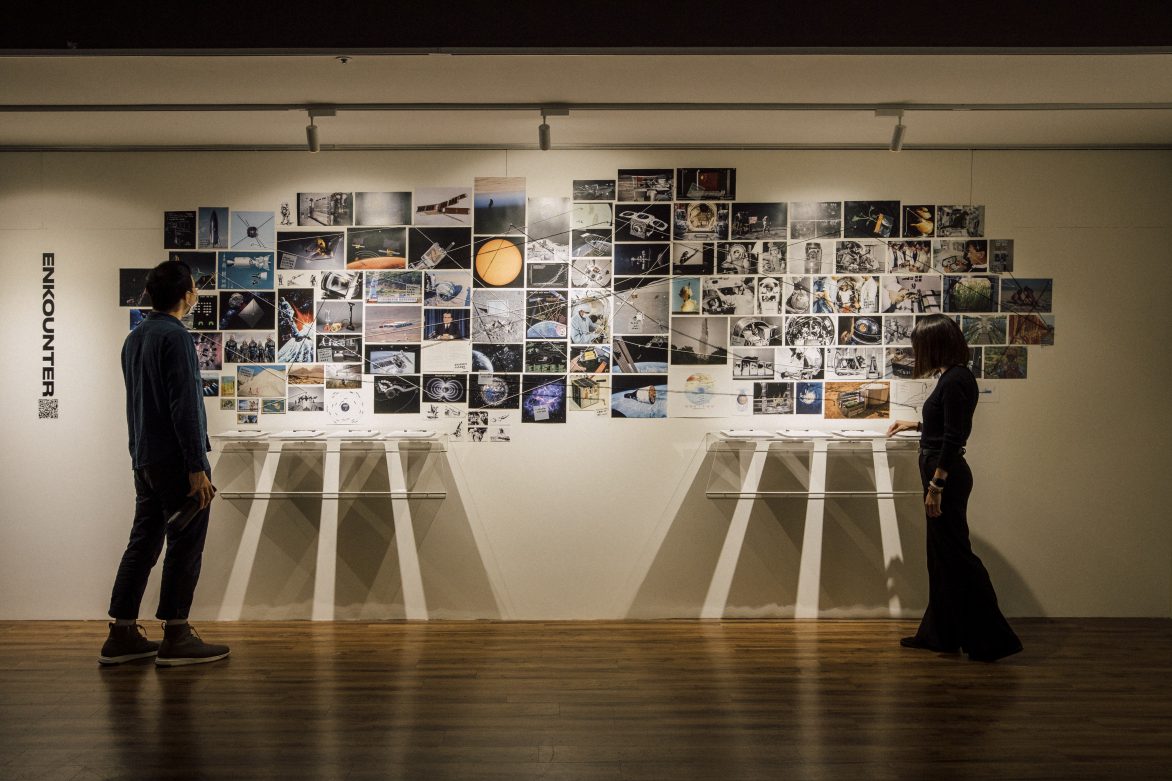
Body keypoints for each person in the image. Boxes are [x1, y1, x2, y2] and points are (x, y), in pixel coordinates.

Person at [101, 260, 229, 667]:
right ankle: (176, 633)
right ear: (186, 294)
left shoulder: (134, 339)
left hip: (144, 458)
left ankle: (122, 633)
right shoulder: (175, 336)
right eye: (193, 288)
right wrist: (196, 465)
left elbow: (141, 404)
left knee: (143, 542)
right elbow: (185, 405)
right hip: (175, 460)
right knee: (185, 543)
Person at [886, 314, 1022, 663]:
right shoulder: (951, 377)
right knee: (941, 558)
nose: (916, 352)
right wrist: (914, 424)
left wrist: (936, 485)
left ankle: (994, 640)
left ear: (934, 345)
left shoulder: (957, 379)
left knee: (957, 558)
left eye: (920, 345)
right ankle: (941, 635)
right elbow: (944, 424)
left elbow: (955, 436)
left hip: (945, 476)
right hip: (938, 470)